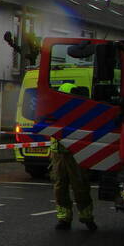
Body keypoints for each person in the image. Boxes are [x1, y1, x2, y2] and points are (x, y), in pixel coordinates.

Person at [50, 83, 97, 231]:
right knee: (60, 186)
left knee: (80, 185)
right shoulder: (56, 111)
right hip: (58, 153)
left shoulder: (77, 111)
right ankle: (64, 218)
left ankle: (87, 216)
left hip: (74, 152)